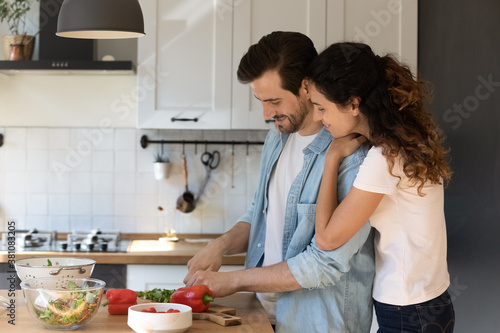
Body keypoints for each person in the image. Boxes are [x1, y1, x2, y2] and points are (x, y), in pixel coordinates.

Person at [183, 32, 375, 333]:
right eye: (261, 101)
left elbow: (324, 264)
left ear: (306, 87)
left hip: (318, 325)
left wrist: (233, 280)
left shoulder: (351, 157)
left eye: (274, 101)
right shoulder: (277, 139)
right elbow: (259, 215)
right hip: (265, 316)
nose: (266, 114)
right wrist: (219, 246)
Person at [307, 42, 455, 332]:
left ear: (353, 103)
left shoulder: (384, 158)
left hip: (407, 310)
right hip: (433, 302)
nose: (317, 117)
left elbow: (326, 240)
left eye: (321, 107)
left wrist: (332, 158)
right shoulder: (408, 139)